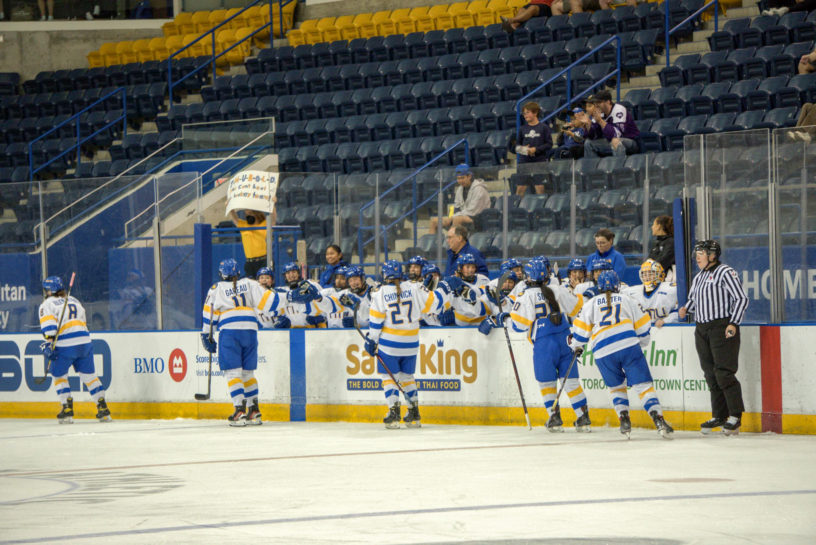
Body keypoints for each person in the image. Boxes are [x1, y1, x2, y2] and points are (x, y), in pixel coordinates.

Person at [201, 258, 317, 425]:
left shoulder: (216, 288)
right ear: (238, 272)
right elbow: (269, 301)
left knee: (233, 372)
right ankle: (254, 411)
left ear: (221, 274)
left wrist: (207, 334)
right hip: (250, 329)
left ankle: (239, 411)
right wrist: (291, 296)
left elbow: (209, 313)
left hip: (230, 329)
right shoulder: (249, 283)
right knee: (248, 372)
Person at [571, 270, 674, 439]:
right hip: (628, 345)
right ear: (617, 284)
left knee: (616, 387)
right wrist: (642, 340)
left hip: (603, 351)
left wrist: (576, 346)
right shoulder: (628, 299)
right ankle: (658, 419)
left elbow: (580, 332)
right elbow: (643, 326)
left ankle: (624, 419)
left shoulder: (591, 303)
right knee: (643, 386)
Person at [500, 259, 591, 432]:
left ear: (528, 277)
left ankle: (554, 418)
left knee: (546, 382)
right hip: (565, 339)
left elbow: (519, 326)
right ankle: (583, 418)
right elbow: (577, 308)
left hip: (544, 343)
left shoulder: (526, 295)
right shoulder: (558, 289)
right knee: (571, 382)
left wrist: (505, 318)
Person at [678, 240, 749, 436]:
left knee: (724, 372)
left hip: (721, 327)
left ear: (712, 255)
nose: (697, 256)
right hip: (701, 328)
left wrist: (733, 323)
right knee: (710, 373)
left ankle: (735, 416)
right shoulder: (699, 277)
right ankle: (719, 415)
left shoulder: (726, 272)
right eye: (697, 252)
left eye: (701, 252)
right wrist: (686, 309)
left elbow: (741, 298)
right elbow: (694, 300)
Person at [364, 260, 446, 428]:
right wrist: (440, 288)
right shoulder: (415, 288)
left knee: (389, 378)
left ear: (385, 275)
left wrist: (371, 340)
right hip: (411, 343)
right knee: (408, 377)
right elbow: (435, 305)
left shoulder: (379, 293)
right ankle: (414, 413)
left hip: (390, 344)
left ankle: (394, 413)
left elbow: (375, 322)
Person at [39, 275, 111, 424]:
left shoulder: (47, 304)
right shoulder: (74, 300)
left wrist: (48, 345)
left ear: (50, 291)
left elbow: (50, 330)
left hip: (66, 345)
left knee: (59, 375)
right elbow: (83, 321)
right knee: (90, 377)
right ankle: (103, 407)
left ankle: (67, 409)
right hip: (85, 342)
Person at [428, 164, 491, 235]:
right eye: (458, 178)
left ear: (469, 176)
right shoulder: (460, 190)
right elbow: (456, 208)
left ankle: (452, 243)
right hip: (463, 215)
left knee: (457, 219)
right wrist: (451, 217)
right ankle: (434, 245)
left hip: (478, 218)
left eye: (462, 178)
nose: (460, 181)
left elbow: (472, 212)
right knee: (434, 221)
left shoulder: (479, 189)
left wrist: (453, 218)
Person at [584, 89, 640, 159]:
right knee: (588, 143)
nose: (596, 105)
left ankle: (619, 168)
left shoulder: (619, 110)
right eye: (595, 103)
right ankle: (593, 168)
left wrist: (600, 121)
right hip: (609, 141)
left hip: (630, 141)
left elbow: (617, 134)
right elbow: (593, 136)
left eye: (599, 102)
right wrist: (588, 125)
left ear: (608, 102)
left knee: (615, 141)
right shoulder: (599, 112)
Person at [275, 262, 333, 328]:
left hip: (316, 328)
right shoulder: (283, 292)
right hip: (294, 331)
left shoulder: (311, 284)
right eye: (288, 273)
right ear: (285, 276)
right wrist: (281, 318)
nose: (291, 275)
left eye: (294, 272)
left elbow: (326, 302)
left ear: (298, 273)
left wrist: (323, 317)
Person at [623, 259, 678, 328]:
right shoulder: (632, 292)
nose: (647, 277)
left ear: (660, 274)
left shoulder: (670, 289)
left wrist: (666, 320)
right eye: (645, 274)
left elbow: (679, 312)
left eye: (651, 274)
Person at [513, 102, 552, 195]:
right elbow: (516, 146)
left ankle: (540, 207)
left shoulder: (544, 127)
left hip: (539, 161)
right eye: (524, 113)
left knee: (539, 187)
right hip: (524, 161)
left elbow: (549, 144)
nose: (525, 115)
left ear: (535, 113)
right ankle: (518, 206)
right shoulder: (522, 129)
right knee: (520, 187)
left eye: (527, 112)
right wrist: (523, 149)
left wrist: (536, 149)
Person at [229, 208, 272, 279]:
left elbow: (273, 219)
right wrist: (231, 209)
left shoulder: (264, 223)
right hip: (249, 262)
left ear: (256, 213)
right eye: (246, 214)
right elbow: (235, 219)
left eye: (250, 214)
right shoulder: (244, 225)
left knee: (264, 285)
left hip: (263, 261)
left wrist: (273, 205)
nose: (248, 216)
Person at [501, 0, 567, 33]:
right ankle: (513, 26)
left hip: (546, 6)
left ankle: (512, 20)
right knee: (522, 9)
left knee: (533, 8)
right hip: (534, 3)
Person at [649, 215, 675, 281]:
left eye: (653, 224)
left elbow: (663, 262)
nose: (652, 227)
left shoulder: (671, 242)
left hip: (667, 281)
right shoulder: (657, 243)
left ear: (659, 226)